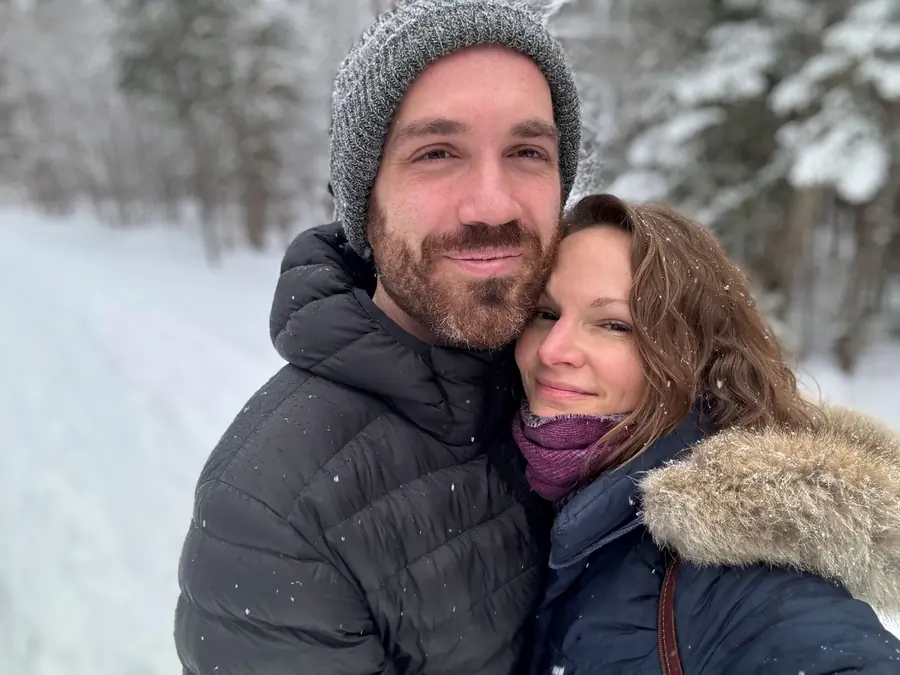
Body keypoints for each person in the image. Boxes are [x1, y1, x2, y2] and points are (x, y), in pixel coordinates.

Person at [173, 1, 581, 674]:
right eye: (437, 152)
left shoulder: (590, 377)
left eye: (527, 151)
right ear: (365, 197)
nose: (493, 204)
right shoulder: (273, 517)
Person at [513, 192, 900, 674]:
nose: (553, 350)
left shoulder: (736, 565)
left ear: (692, 355)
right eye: (546, 314)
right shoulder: (506, 480)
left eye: (614, 325)